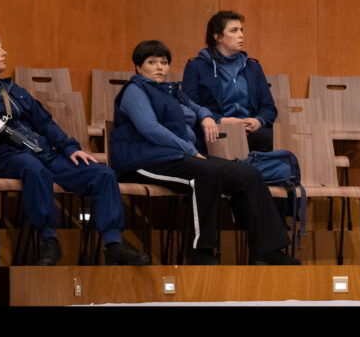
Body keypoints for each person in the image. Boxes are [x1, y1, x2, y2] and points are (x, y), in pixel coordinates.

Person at [0, 33, 146, 266]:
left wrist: (70, 148)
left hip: (43, 152)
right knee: (35, 169)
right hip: (9, 156)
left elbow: (45, 122)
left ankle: (113, 244)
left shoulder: (15, 90)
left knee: (102, 173)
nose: (4, 53)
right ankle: (48, 240)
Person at [110, 39, 298, 265]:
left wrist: (207, 117)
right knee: (206, 173)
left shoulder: (170, 90)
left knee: (248, 174)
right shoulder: (135, 90)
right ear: (139, 67)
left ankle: (268, 252)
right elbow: (151, 129)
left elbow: (196, 107)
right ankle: (200, 252)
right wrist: (190, 149)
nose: (160, 67)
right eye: (152, 62)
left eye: (164, 62)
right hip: (143, 160)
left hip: (177, 157)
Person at [180, 11, 278, 152]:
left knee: (276, 138)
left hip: (249, 131)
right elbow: (190, 106)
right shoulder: (196, 66)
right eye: (234, 30)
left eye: (241, 30)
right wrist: (221, 120)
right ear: (218, 37)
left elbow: (269, 107)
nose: (241, 35)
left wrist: (258, 121)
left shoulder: (253, 67)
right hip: (216, 130)